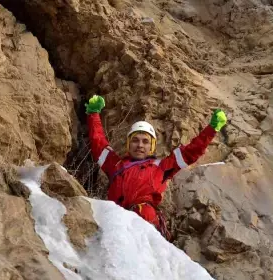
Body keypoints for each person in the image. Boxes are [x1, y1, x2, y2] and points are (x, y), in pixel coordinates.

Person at [85, 94, 227, 240]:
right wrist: (93, 114)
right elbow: (98, 143)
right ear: (128, 144)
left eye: (145, 141)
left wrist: (211, 129)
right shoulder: (115, 165)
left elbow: (190, 151)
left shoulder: (162, 167)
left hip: (146, 224)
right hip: (116, 222)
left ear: (151, 146)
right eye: (135, 140)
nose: (140, 145)